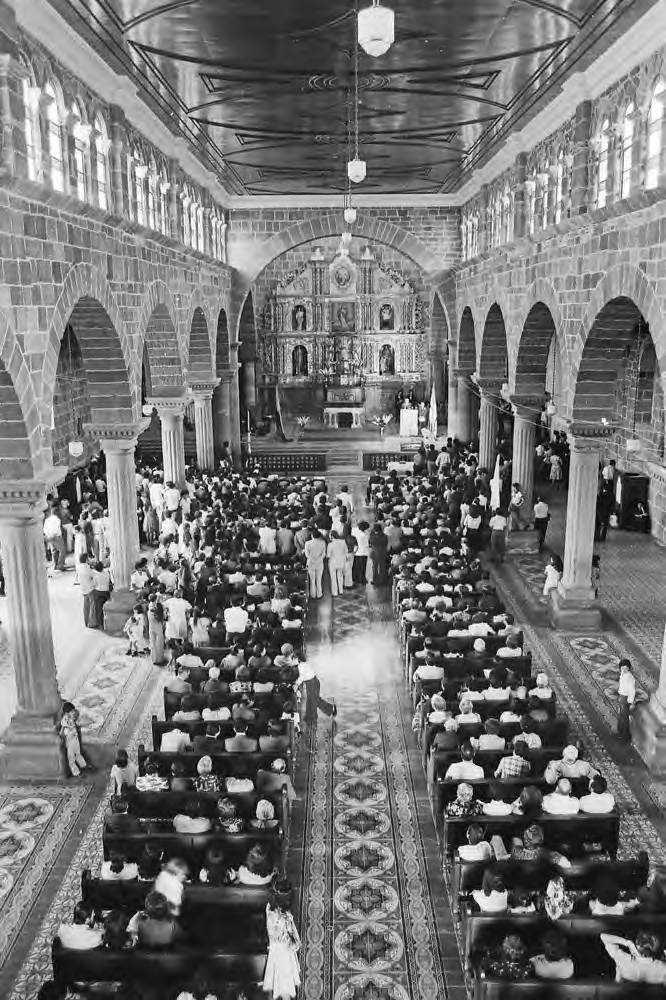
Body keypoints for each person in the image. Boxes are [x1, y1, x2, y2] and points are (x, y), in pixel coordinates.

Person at [263, 879, 301, 1000]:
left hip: (275, 949)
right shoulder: (284, 920)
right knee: (285, 984)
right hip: (283, 954)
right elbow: (293, 944)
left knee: (278, 979)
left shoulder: (269, 909)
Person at [601, 930, 666, 984]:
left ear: (637, 945)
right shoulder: (662, 968)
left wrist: (627, 943)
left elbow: (603, 936)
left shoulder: (623, 959)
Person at [60, 701, 87, 778]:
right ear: (67, 713)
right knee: (71, 759)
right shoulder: (64, 721)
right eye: (72, 711)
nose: (73, 712)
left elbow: (75, 721)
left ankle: (83, 765)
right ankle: (76, 773)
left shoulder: (71, 718)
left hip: (75, 739)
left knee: (78, 753)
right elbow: (62, 731)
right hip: (69, 743)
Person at [617, 658, 636, 742]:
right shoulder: (623, 674)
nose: (624, 670)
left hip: (625, 699)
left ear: (629, 668)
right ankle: (621, 732)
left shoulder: (629, 678)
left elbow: (632, 690)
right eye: (622, 668)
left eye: (625, 668)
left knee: (624, 718)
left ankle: (625, 737)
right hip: (622, 697)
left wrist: (630, 702)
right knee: (621, 716)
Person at [304, 529, 326, 599]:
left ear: (312, 535)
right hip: (319, 563)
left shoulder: (307, 543)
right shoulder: (323, 542)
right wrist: (318, 560)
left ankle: (313, 595)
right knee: (319, 579)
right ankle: (319, 594)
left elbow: (307, 555)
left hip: (311, 563)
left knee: (312, 580)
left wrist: (313, 560)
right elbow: (323, 554)